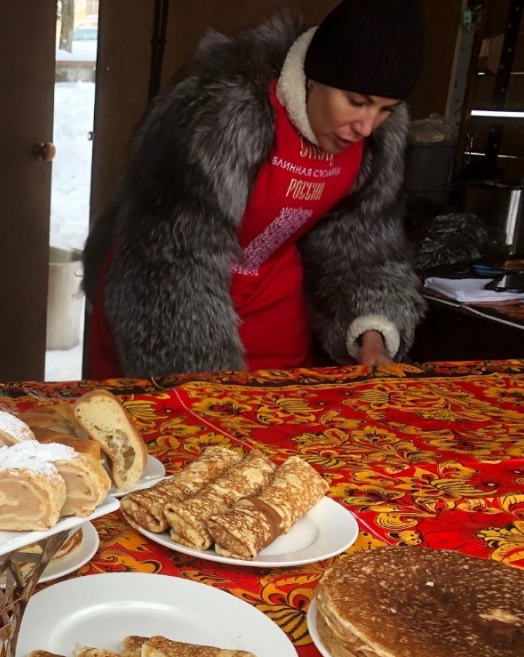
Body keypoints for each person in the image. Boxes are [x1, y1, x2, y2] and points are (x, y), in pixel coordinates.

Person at [83, 0, 428, 379]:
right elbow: (169, 262)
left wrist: (373, 333)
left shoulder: (376, 144)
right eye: (356, 102)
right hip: (169, 310)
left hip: (273, 310)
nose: (366, 126)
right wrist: (203, 382)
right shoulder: (221, 112)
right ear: (314, 77)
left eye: (386, 110)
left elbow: (364, 252)